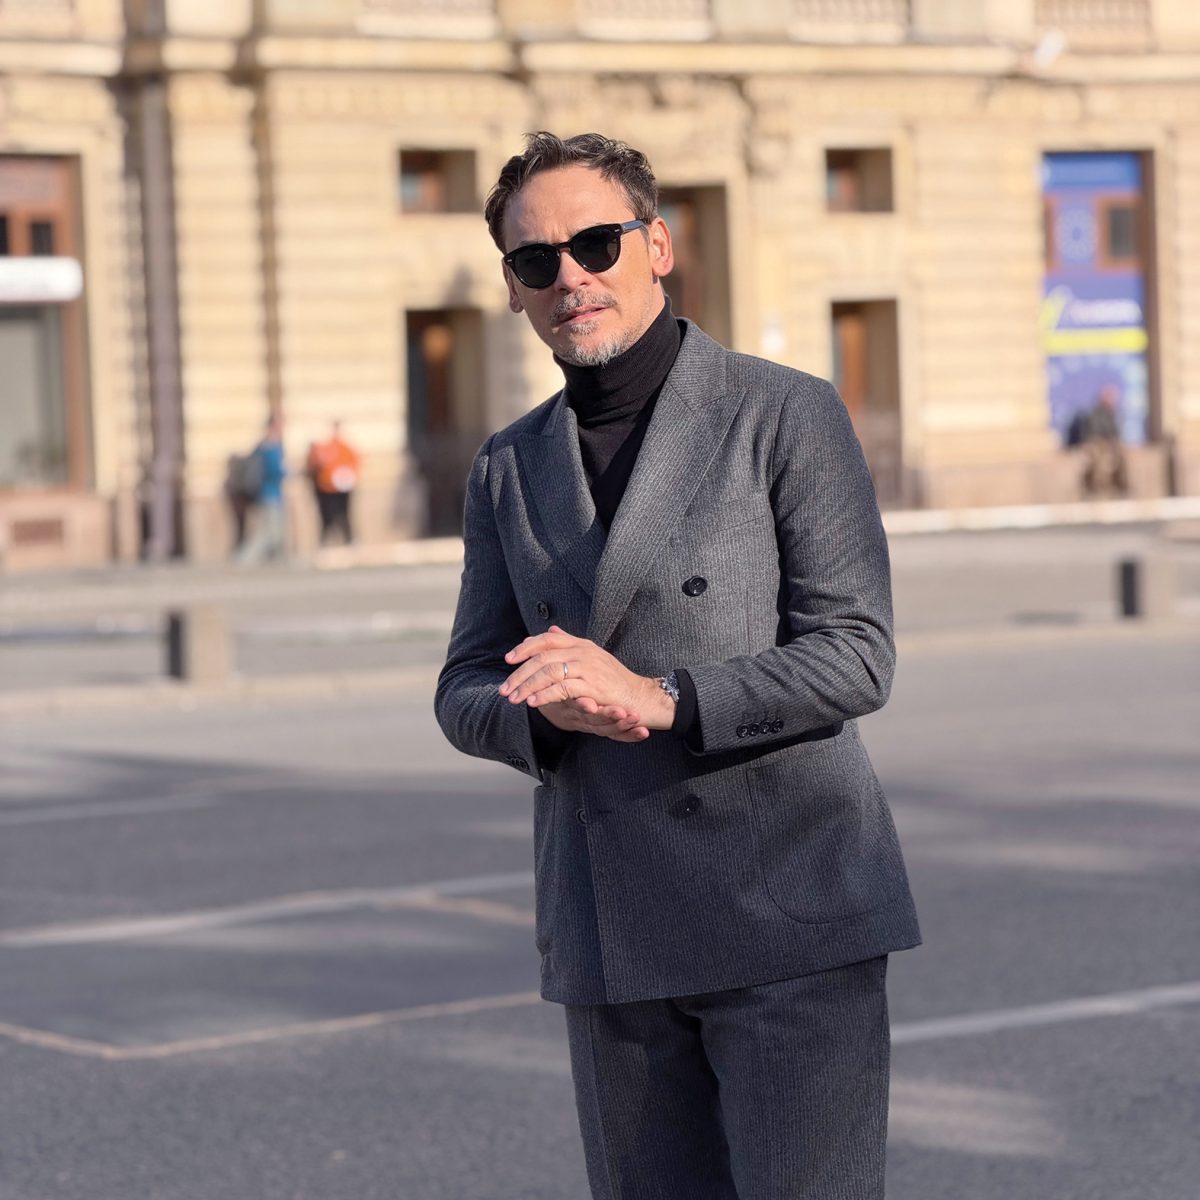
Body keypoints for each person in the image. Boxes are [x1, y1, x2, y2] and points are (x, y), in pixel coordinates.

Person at [434, 132, 921, 1200]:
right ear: (513, 290)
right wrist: (546, 711)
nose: (570, 277)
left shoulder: (782, 411)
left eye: (596, 244)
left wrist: (660, 698)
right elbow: (463, 685)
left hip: (787, 910)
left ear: (657, 246)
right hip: (610, 928)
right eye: (536, 260)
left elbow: (857, 652)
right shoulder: (509, 463)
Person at [237, 413, 287, 564]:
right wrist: (288, 471)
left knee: (270, 530)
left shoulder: (267, 445)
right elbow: (274, 471)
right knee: (269, 531)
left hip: (272, 493)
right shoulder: (268, 446)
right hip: (269, 494)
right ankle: (246, 558)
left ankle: (274, 559)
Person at [305, 421, 361, 545]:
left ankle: (349, 539)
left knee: (344, 515)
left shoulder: (345, 448)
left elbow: (355, 462)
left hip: (342, 488)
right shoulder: (325, 447)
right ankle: (326, 540)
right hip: (327, 488)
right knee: (327, 516)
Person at [1080, 384, 1128, 498]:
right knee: (1098, 459)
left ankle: (1121, 486)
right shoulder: (1095, 413)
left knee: (1121, 457)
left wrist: (1114, 443)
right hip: (1097, 443)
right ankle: (1095, 488)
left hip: (1110, 444)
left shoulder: (1112, 414)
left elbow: (1115, 432)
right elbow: (1094, 432)